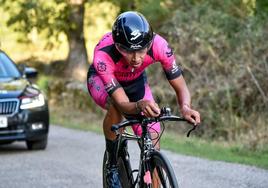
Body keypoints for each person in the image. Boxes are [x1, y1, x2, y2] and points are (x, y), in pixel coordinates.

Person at [87, 11, 201, 188]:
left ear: (149, 43)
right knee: (116, 109)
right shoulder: (103, 54)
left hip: (136, 82)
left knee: (153, 134)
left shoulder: (160, 46)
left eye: (141, 50)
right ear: (118, 46)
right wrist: (140, 105)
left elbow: (180, 84)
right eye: (128, 51)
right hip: (103, 82)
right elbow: (123, 104)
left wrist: (185, 107)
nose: (136, 58)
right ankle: (112, 163)